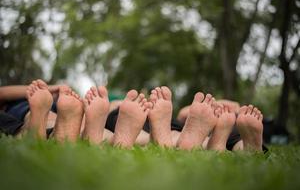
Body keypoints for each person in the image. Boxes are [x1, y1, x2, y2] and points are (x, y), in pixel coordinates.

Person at [0, 79, 266, 152]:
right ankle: (229, 146)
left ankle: (50, 130)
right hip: (30, 106)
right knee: (166, 130)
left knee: (87, 121)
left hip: (38, 110)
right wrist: (43, 89)